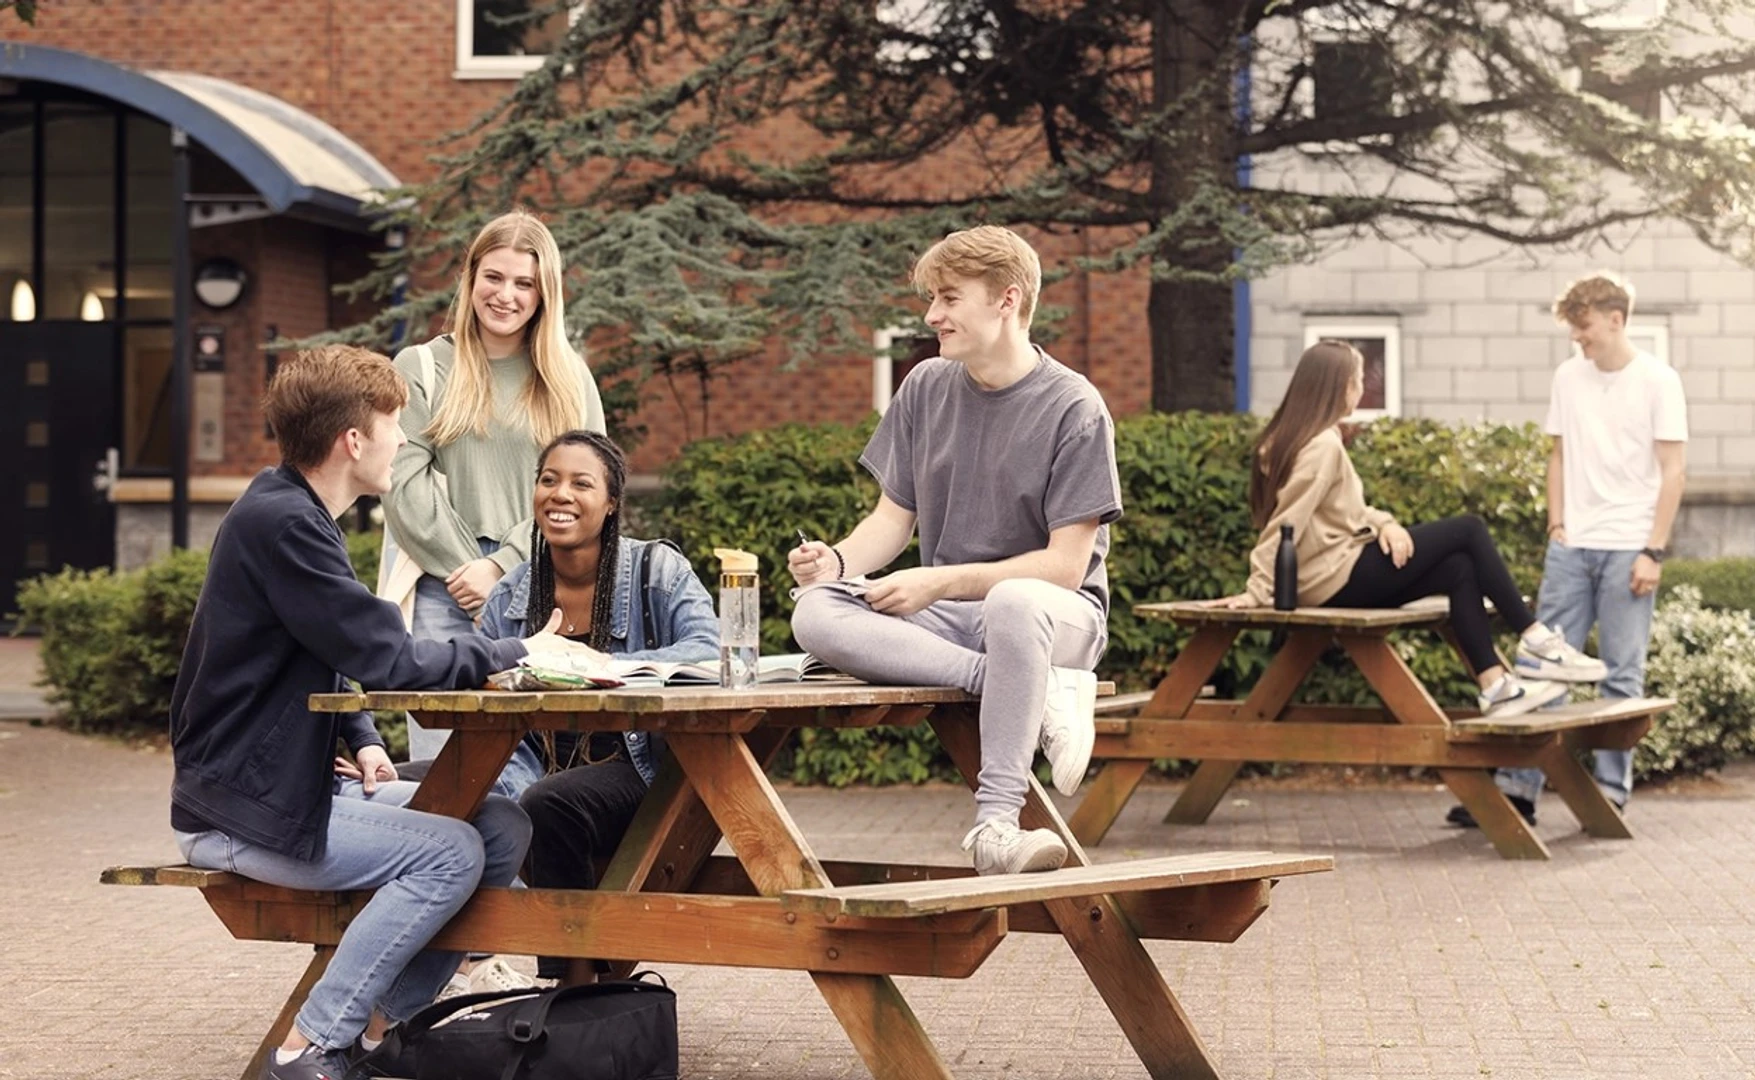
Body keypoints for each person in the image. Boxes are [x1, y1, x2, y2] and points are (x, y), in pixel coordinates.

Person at [168, 345, 594, 1080]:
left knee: (500, 823)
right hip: (240, 811)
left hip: (291, 788)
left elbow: (326, 649)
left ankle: (375, 1032)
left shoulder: (295, 513)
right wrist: (510, 651)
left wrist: (361, 735)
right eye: (395, 423)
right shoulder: (284, 523)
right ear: (353, 440)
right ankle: (308, 1048)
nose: (404, 439)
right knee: (448, 851)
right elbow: (389, 657)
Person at [788, 225, 1121, 877]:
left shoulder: (1075, 407)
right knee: (816, 611)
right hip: (955, 628)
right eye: (931, 299)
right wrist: (835, 563)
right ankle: (1023, 687)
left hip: (1056, 618)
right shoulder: (924, 387)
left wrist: (938, 583)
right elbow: (891, 521)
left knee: (1016, 603)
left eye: (947, 298)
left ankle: (996, 827)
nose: (930, 315)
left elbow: (1063, 568)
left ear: (1006, 299)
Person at [1203, 339, 1607, 726]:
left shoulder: (1297, 440)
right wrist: (1257, 590)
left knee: (1459, 568)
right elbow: (1286, 522)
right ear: (1340, 387)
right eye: (1359, 379)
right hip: (1335, 579)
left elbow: (1346, 512)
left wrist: (1386, 523)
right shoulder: (1323, 445)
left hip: (1331, 575)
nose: (1362, 389)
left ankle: (1495, 685)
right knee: (1469, 529)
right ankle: (1536, 640)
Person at [476, 430, 718, 985]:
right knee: (426, 790)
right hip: (535, 769)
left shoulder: (658, 572)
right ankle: (431, 980)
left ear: (611, 504)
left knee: (548, 804)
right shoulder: (511, 596)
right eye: (549, 480)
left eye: (581, 484)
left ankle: (572, 987)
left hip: (642, 774)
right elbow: (477, 679)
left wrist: (590, 665)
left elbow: (709, 653)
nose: (560, 494)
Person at [381, 208, 606, 762]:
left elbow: (589, 491)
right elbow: (401, 484)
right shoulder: (423, 366)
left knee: (536, 762)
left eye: (524, 282)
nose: (506, 294)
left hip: (543, 587)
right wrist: (471, 571)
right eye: (494, 277)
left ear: (544, 293)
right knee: (446, 766)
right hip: (441, 587)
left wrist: (502, 567)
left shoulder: (569, 377)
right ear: (471, 278)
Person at [1465, 272, 1687, 827]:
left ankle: (1609, 797)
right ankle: (1518, 792)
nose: (1577, 338)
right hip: (1572, 546)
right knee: (1541, 666)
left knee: (1621, 673)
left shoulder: (1660, 381)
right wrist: (1556, 523)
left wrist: (1652, 551)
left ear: (1615, 319)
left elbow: (1673, 470)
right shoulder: (1569, 376)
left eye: (1583, 326)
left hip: (1629, 546)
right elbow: (1558, 454)